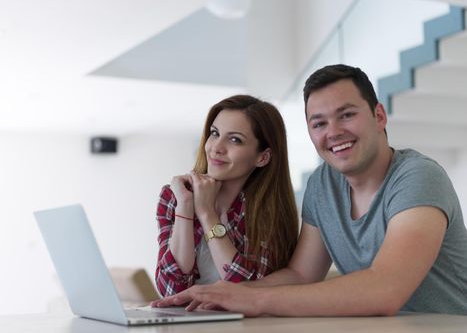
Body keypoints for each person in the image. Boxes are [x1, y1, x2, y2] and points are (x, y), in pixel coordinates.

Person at [152, 64, 467, 316]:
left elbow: (385, 290)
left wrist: (255, 301)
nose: (333, 132)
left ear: (379, 116)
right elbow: (301, 275)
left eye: (346, 115)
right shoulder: (322, 184)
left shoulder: (417, 177)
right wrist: (226, 293)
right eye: (319, 123)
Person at [154, 94, 298, 297]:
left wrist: (206, 213)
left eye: (234, 139)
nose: (216, 148)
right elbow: (171, 289)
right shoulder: (175, 196)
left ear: (262, 157)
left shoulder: (266, 210)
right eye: (214, 133)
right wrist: (186, 206)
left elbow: (242, 287)